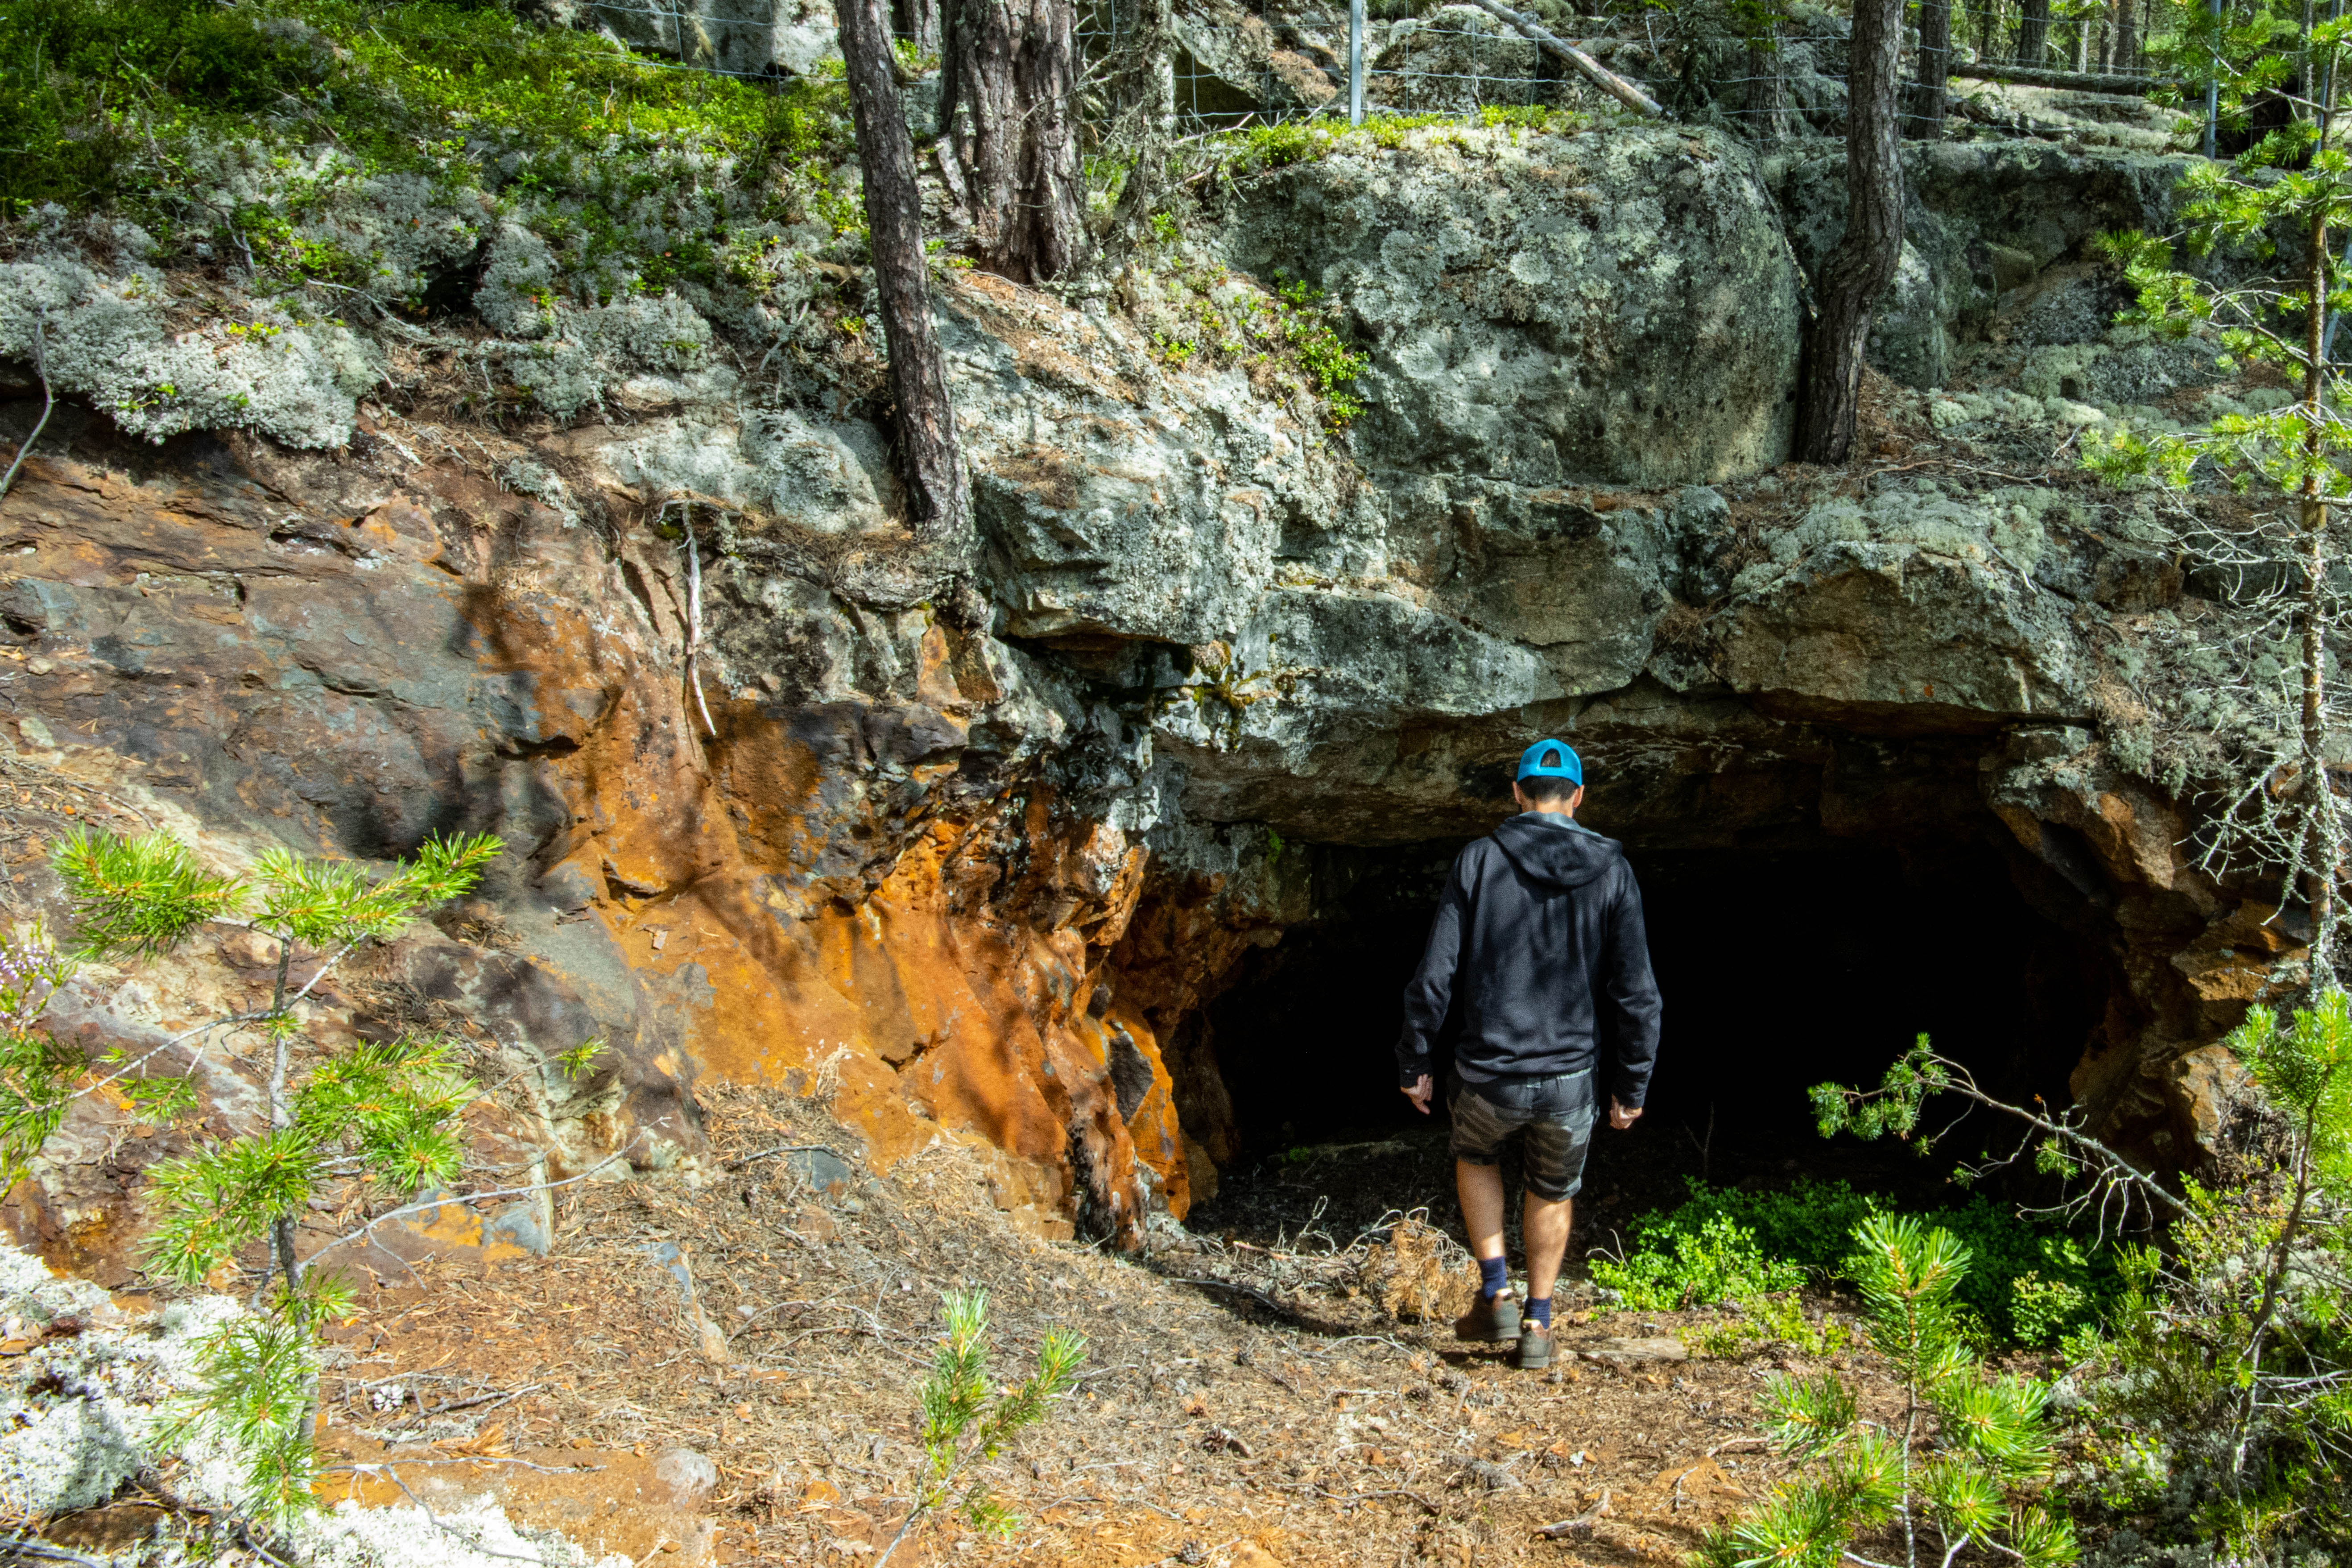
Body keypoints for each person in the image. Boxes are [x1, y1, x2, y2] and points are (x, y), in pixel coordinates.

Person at [1396, 738, 1662, 1370]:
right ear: (1577, 797)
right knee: (1552, 1189)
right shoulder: (1612, 870)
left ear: (1516, 794)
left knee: (1475, 1155)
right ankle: (1537, 1327)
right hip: (1569, 1079)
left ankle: (1496, 1290)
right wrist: (1634, 1086)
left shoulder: (1479, 860)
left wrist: (1414, 1061)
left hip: (1487, 1075)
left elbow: (1435, 974)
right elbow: (1636, 993)